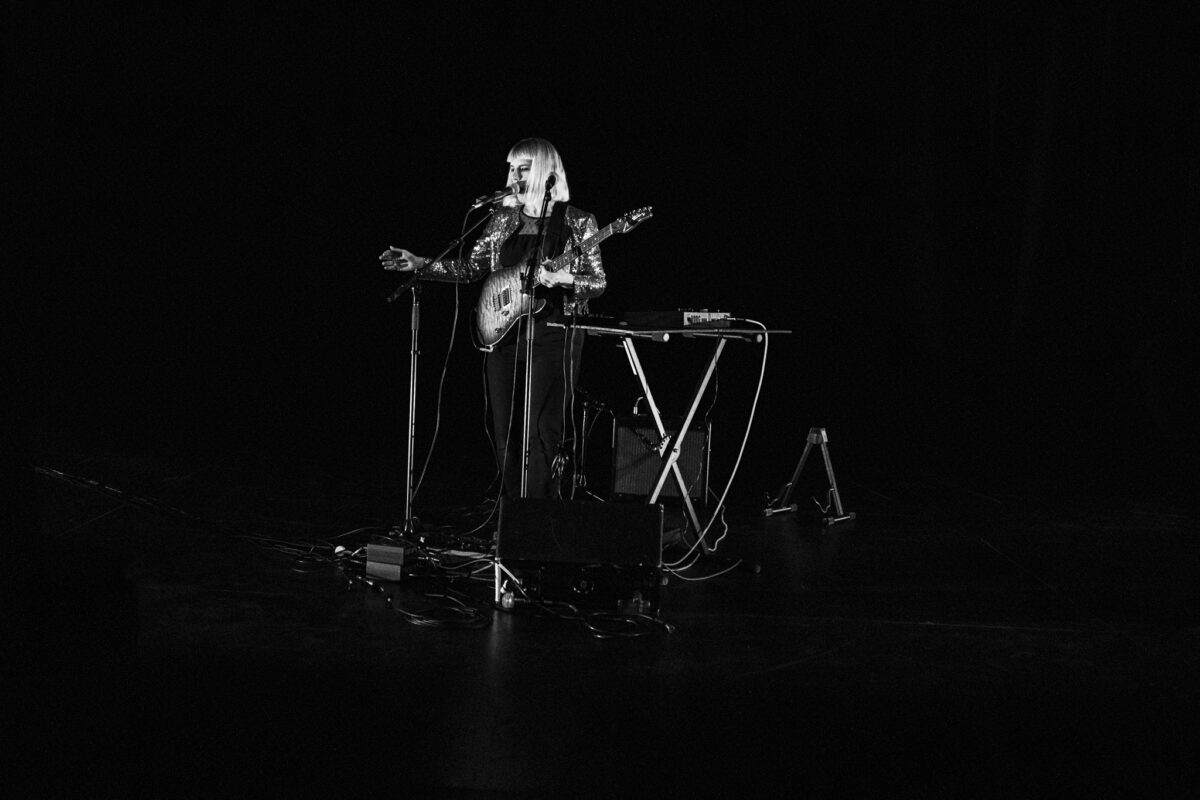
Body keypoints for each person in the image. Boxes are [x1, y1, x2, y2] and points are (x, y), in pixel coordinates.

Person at [380, 137, 605, 499]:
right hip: (503, 331)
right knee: (505, 430)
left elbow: (597, 282)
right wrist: (422, 264)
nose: (513, 175)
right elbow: (471, 268)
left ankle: (540, 519)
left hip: (553, 334)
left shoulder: (578, 221)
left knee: (541, 429)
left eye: (522, 167)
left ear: (546, 171)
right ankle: (514, 515)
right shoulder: (503, 219)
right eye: (511, 168)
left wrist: (561, 278)